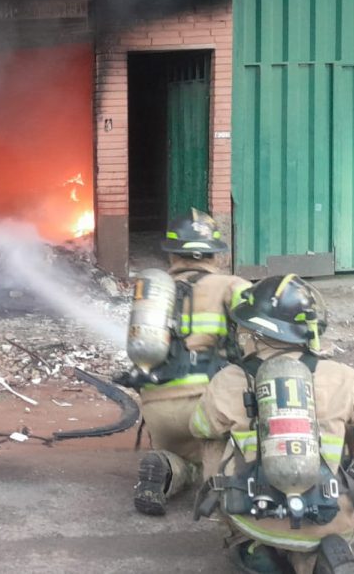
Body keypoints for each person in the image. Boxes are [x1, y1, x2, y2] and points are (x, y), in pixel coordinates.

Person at [190, 275, 354, 574]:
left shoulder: (227, 381)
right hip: (328, 516)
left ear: (252, 331)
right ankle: (318, 558)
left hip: (254, 517)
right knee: (335, 469)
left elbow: (199, 426)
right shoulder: (340, 377)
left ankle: (252, 546)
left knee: (211, 438)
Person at [119, 209, 250, 516]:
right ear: (215, 255)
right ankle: (224, 484)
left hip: (158, 408)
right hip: (208, 405)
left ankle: (165, 466)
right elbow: (261, 341)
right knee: (223, 455)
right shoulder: (233, 286)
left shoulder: (154, 293)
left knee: (181, 457)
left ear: (172, 254)